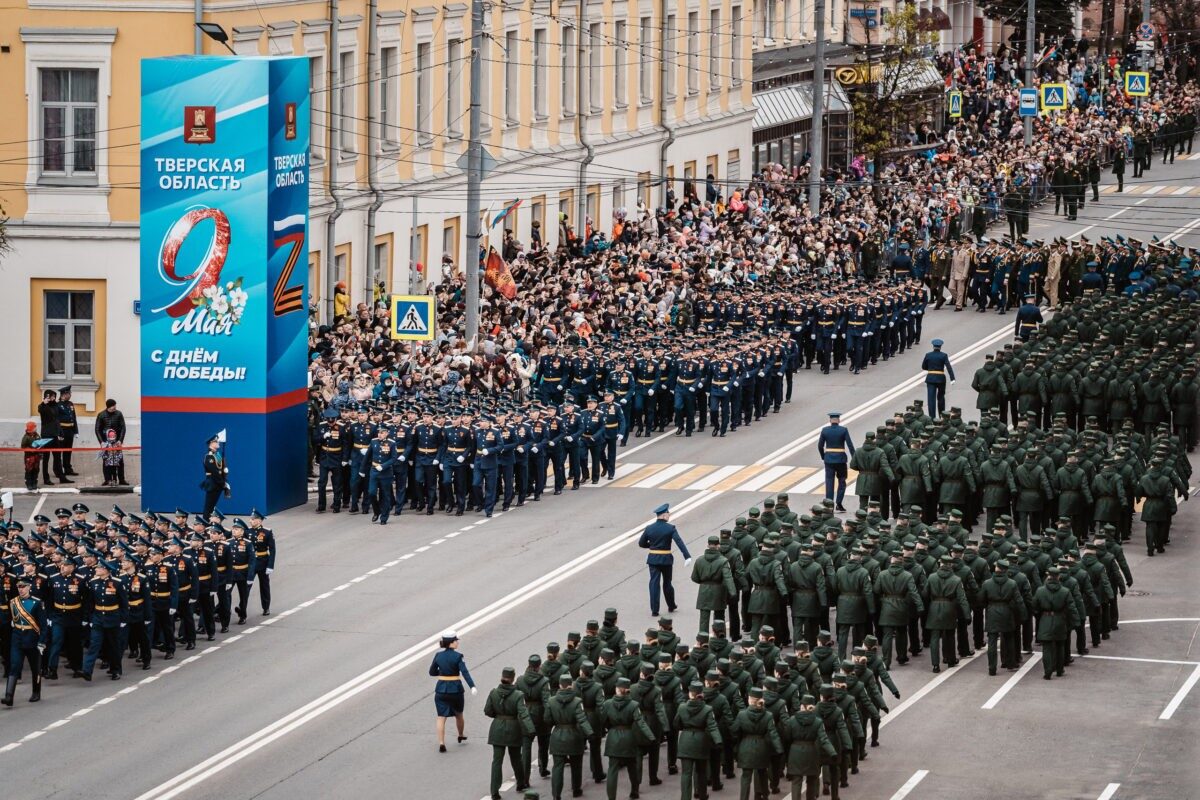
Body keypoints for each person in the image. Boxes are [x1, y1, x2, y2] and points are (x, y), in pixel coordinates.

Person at [485, 666, 535, 799]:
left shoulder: (494, 692)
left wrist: (499, 716)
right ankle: (520, 783)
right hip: (513, 728)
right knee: (516, 758)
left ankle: (494, 791)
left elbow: (488, 711)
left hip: (497, 728)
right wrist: (531, 729)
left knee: (497, 761)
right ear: (513, 679)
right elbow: (523, 714)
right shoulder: (518, 695)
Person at [638, 503, 693, 617]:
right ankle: (671, 605)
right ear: (663, 515)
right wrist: (687, 556)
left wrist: (652, 546)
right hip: (666, 560)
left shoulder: (649, 528)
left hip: (653, 558)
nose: (669, 515)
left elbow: (641, 543)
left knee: (654, 583)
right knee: (667, 583)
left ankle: (654, 610)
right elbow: (679, 542)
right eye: (668, 513)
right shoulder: (670, 528)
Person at [428, 630, 477, 752]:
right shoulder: (458, 656)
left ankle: (441, 742)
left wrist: (443, 673)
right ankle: (460, 734)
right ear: (451, 642)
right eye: (456, 641)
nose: (457, 643)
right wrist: (472, 686)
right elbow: (464, 672)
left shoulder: (438, 655)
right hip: (455, 690)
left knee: (441, 717)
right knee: (459, 714)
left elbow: (432, 672)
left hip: (441, 689)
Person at [3, 579, 49, 706]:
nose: (20, 589)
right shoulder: (13, 602)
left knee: (35, 668)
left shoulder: (37, 603)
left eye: (23, 587)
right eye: (19, 587)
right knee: (14, 666)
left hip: (32, 639)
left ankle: (36, 692)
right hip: (17, 639)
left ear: (29, 587)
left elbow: (43, 626)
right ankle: (9, 696)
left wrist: (42, 642)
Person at [818, 412, 855, 512]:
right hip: (841, 460)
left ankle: (829, 504)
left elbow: (820, 446)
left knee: (829, 481)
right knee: (842, 481)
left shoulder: (825, 430)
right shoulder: (843, 430)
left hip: (828, 459)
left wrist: (823, 456)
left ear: (830, 420)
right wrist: (854, 458)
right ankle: (839, 503)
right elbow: (850, 445)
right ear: (839, 420)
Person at [921, 339, 956, 419]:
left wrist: (930, 368)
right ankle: (941, 415)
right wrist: (952, 378)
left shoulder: (928, 355)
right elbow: (948, 367)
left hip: (930, 378)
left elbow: (923, 366)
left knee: (931, 399)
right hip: (940, 378)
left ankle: (932, 417)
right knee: (941, 397)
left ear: (933, 346)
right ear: (940, 347)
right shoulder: (944, 355)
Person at [37, 388, 65, 485]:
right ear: (47, 397)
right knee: (46, 458)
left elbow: (57, 421)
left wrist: (60, 433)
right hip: (46, 436)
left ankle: (62, 477)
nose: (53, 398)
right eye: (51, 396)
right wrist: (43, 403)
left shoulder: (56, 406)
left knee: (58, 457)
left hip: (54, 435)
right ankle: (46, 479)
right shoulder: (43, 406)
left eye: (54, 396)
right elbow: (40, 409)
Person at [200, 435, 228, 518]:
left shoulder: (217, 455)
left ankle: (209, 523)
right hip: (212, 483)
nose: (218, 442)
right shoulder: (209, 457)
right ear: (211, 443)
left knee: (212, 506)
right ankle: (205, 523)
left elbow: (220, 470)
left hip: (217, 483)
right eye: (216, 441)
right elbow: (215, 472)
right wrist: (223, 483)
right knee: (209, 506)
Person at [20, 421, 39, 491]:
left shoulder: (37, 435)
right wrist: (30, 449)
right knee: (29, 470)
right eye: (34, 427)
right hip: (29, 457)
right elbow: (23, 447)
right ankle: (29, 483)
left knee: (36, 469)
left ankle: (34, 483)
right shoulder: (26, 437)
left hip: (36, 456)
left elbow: (39, 442)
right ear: (31, 428)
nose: (36, 429)